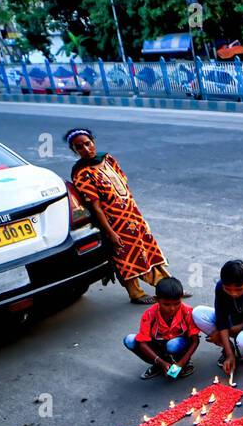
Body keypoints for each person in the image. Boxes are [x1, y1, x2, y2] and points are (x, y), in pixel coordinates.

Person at [67, 128, 169, 304]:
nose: (85, 149)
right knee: (126, 258)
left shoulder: (107, 159)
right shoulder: (81, 173)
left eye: (87, 143)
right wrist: (111, 232)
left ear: (93, 141)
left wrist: (137, 215)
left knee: (148, 250)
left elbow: (124, 186)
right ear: (74, 151)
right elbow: (96, 207)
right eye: (79, 147)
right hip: (115, 223)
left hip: (133, 215)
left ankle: (167, 287)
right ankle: (136, 293)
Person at [192, 260, 243, 377]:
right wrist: (229, 354)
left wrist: (222, 333)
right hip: (233, 324)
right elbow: (221, 319)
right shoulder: (220, 287)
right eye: (228, 289)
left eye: (239, 289)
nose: (233, 293)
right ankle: (230, 349)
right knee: (198, 313)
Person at [124, 276, 199, 380]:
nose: (172, 308)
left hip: (178, 346)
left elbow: (195, 341)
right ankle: (159, 364)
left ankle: (184, 363)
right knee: (130, 340)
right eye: (166, 304)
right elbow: (142, 343)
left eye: (177, 303)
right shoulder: (149, 314)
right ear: (156, 300)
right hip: (159, 347)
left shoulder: (187, 312)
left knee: (173, 345)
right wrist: (161, 362)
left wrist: (181, 363)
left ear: (181, 298)